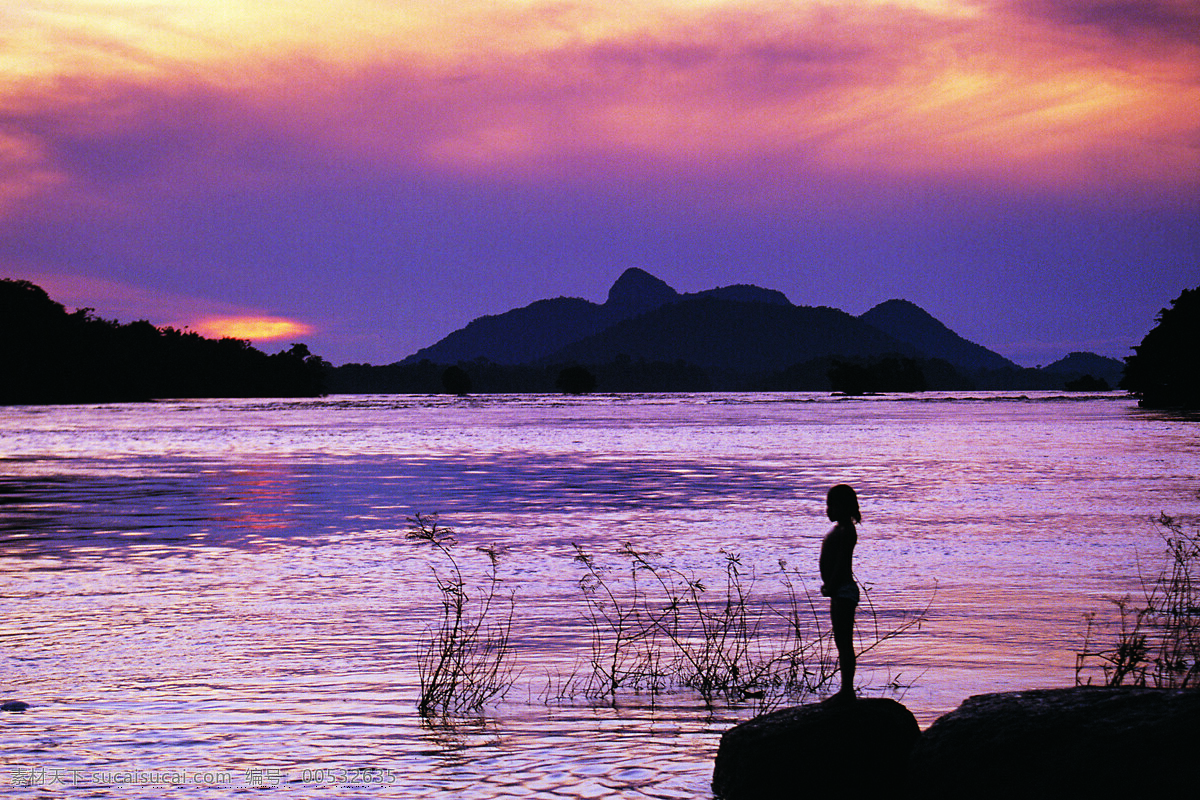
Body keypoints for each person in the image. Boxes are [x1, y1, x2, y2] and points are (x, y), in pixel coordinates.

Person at [820, 483, 860, 701]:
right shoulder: (840, 529)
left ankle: (847, 690)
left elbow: (842, 564)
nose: (828, 511)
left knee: (844, 642)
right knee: (840, 641)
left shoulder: (846, 531)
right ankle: (846, 689)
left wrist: (832, 585)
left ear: (843, 506)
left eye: (832, 506)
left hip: (843, 590)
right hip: (839, 590)